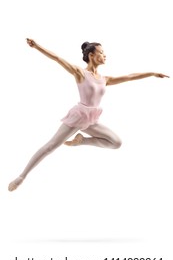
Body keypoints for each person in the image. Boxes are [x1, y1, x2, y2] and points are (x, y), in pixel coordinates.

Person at [8, 38, 169, 191]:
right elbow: (57, 58)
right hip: (78, 117)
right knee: (51, 146)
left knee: (116, 142)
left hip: (92, 120)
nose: (104, 55)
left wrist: (152, 73)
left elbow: (130, 77)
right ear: (91, 55)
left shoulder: (104, 79)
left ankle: (81, 140)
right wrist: (37, 46)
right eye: (101, 52)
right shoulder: (80, 73)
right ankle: (21, 177)